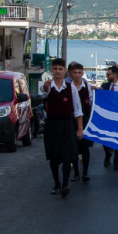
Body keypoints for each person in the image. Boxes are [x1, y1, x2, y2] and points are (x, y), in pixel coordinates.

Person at [42, 58, 83, 197]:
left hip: (67, 124)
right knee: (53, 157)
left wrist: (79, 129)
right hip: (52, 125)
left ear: (65, 71)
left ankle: (65, 184)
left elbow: (78, 110)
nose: (58, 71)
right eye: (55, 69)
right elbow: (45, 92)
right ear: (51, 70)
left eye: (60, 69)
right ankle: (56, 184)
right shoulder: (48, 86)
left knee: (67, 156)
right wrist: (46, 87)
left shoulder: (71, 88)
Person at [68, 62, 94, 183]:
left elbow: (92, 103)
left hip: (85, 119)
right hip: (71, 119)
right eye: (75, 72)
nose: (77, 75)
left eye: (79, 72)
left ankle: (85, 172)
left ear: (82, 73)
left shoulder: (87, 87)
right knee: (73, 147)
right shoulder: (67, 86)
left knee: (85, 147)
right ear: (71, 73)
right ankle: (76, 172)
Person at [100, 65, 118, 170]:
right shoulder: (104, 86)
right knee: (105, 137)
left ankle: (116, 162)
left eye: (108, 74)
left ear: (115, 75)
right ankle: (108, 154)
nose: (106, 76)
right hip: (107, 117)